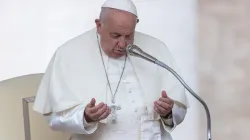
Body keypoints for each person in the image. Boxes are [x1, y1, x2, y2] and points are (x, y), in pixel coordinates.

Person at [33, 0, 189, 140]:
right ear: (99, 25)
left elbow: (178, 109)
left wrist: (168, 112)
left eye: (129, 36)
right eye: (115, 35)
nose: (123, 44)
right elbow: (54, 118)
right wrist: (85, 117)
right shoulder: (68, 53)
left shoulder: (156, 49)